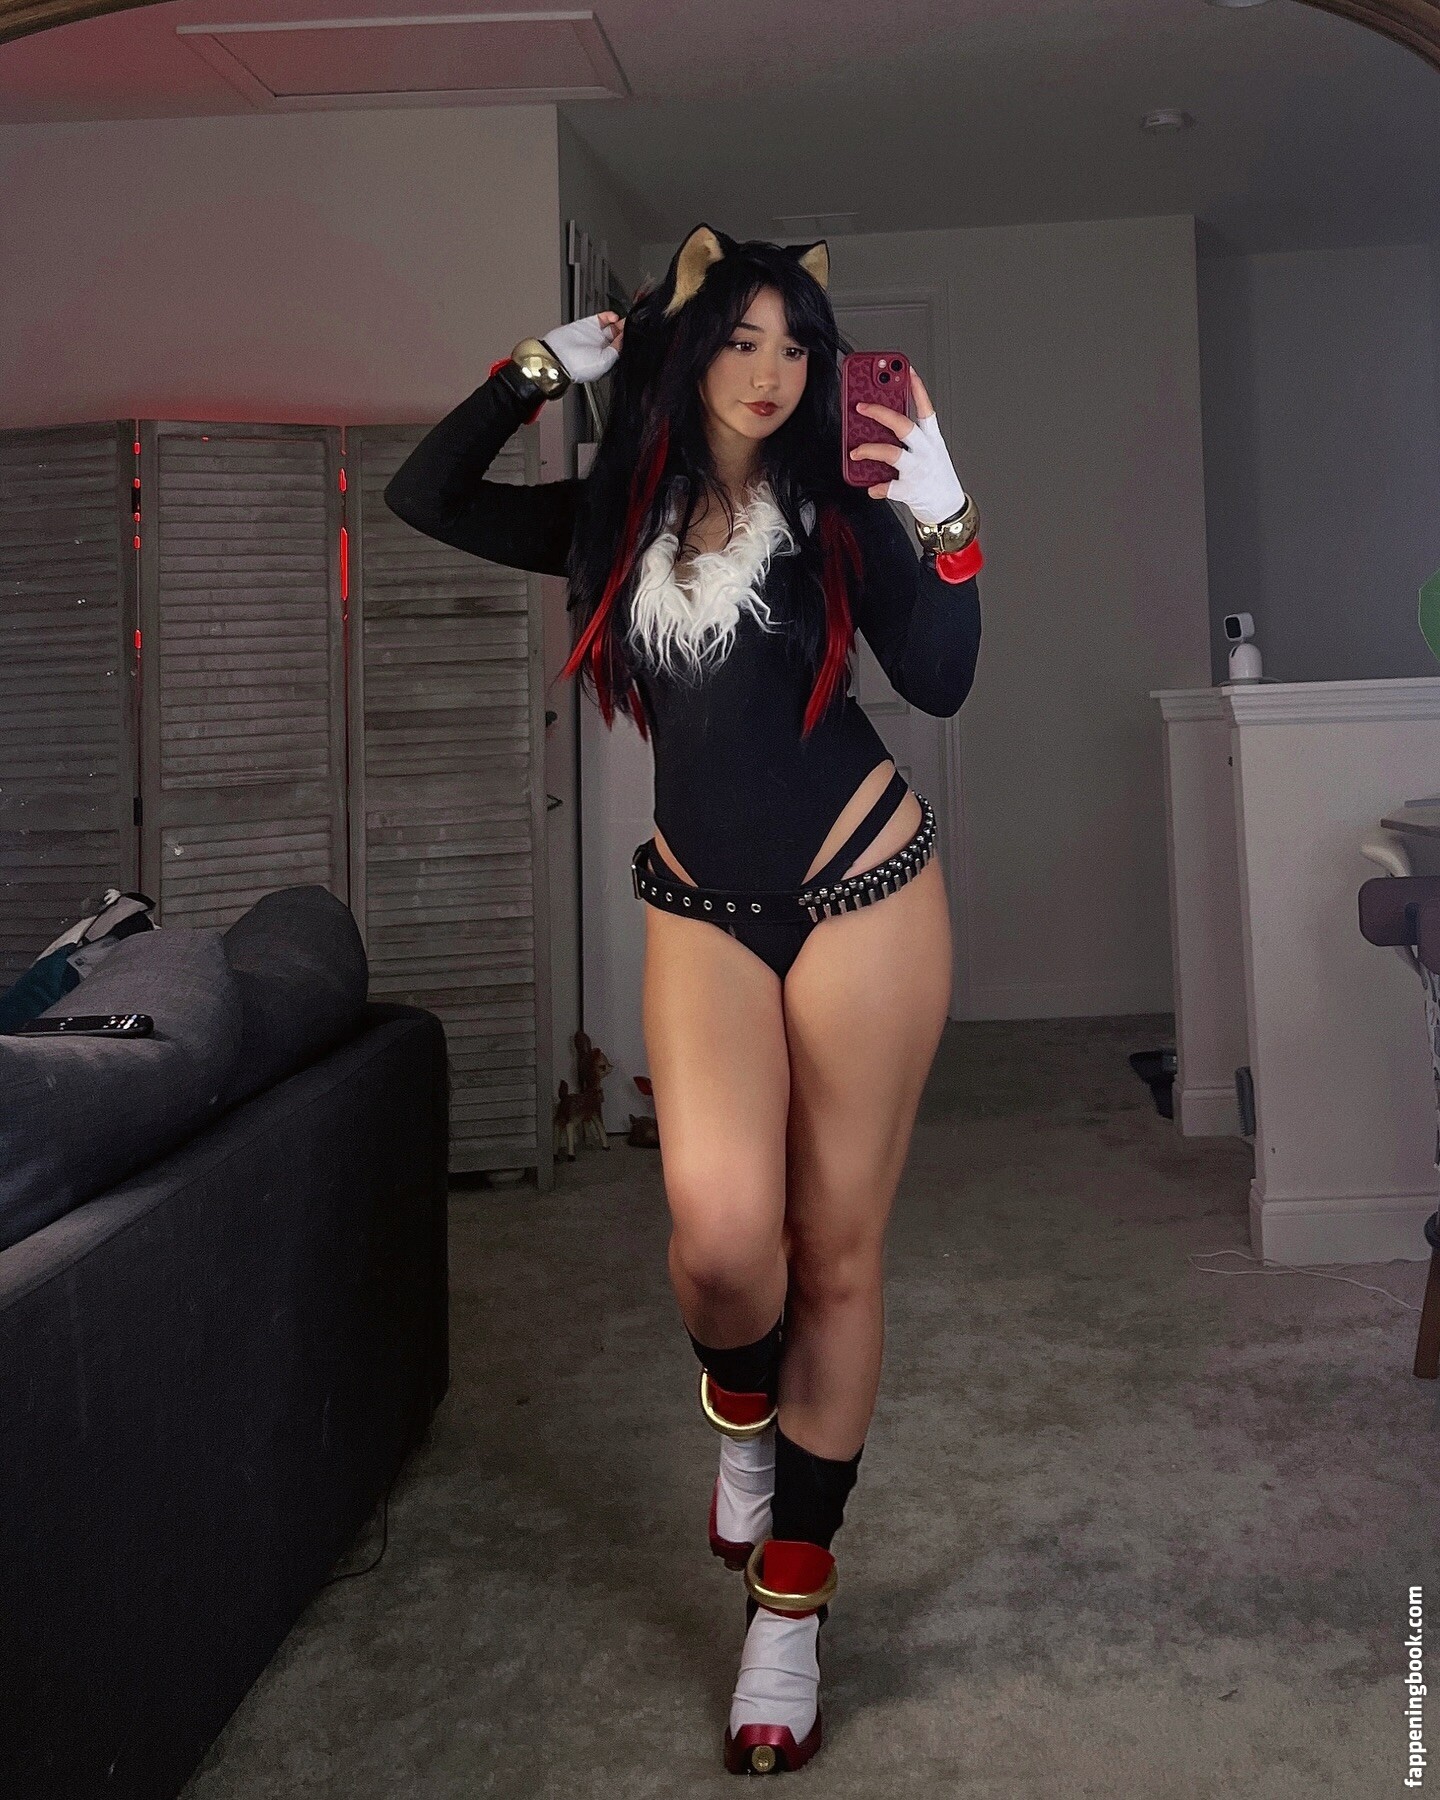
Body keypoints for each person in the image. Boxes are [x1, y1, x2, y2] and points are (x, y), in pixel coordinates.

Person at [384, 221, 982, 1776]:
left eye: (794, 343)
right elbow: (421, 497)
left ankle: (789, 1607)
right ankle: (742, 1416)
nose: (770, 371)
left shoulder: (839, 502)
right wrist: (537, 372)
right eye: (739, 338)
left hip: (867, 888)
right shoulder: (613, 518)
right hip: (705, 911)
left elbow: (942, 677)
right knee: (723, 1252)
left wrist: (945, 520)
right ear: (687, 345)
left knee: (834, 1257)